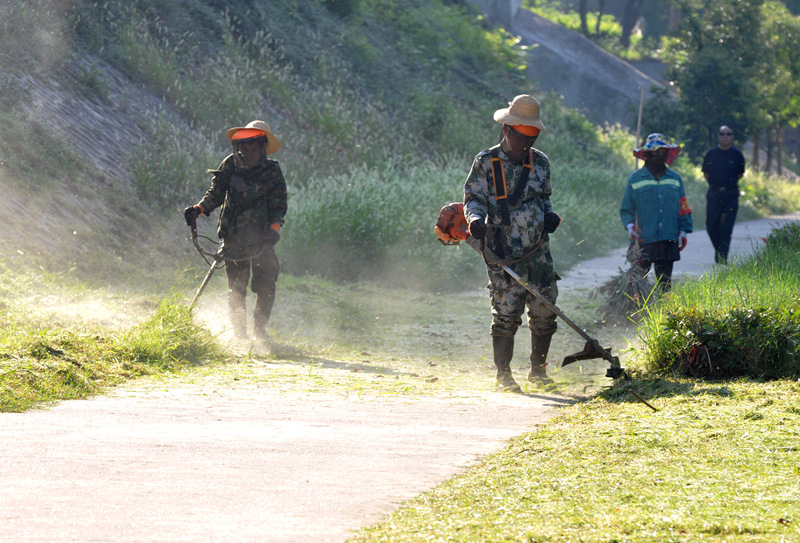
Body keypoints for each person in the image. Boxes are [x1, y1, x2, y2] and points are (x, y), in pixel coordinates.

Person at [463, 94, 561, 392]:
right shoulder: (486, 162)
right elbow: (474, 199)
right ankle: (503, 376)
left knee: (545, 312)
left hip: (538, 253)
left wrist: (550, 215)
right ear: (507, 130)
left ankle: (538, 372)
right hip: (503, 254)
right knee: (505, 314)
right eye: (522, 138)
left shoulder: (540, 162)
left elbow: (544, 199)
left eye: (532, 138)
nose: (526, 145)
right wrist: (475, 220)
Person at [184, 120, 288, 342]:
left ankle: (260, 330)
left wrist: (274, 230)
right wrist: (199, 209)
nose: (246, 151)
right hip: (234, 237)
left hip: (263, 240)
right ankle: (240, 335)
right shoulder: (230, 165)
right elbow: (216, 193)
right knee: (236, 289)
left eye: (252, 147)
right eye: (244, 147)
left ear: (262, 147)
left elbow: (279, 206)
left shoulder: (272, 171)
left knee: (267, 283)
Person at [620, 133, 693, 291]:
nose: (659, 156)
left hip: (668, 237)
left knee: (664, 284)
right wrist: (631, 226)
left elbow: (683, 206)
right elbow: (626, 208)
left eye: (662, 153)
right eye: (655, 153)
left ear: (667, 154)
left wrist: (684, 230)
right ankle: (637, 313)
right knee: (638, 284)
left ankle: (664, 312)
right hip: (643, 239)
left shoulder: (675, 178)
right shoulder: (636, 178)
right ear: (647, 155)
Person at [702, 125, 745, 264]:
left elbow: (740, 173)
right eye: (722, 134)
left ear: (732, 136)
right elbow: (706, 173)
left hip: (731, 195)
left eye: (728, 134)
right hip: (714, 194)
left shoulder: (737, 154)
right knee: (711, 225)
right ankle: (719, 251)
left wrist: (727, 186)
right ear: (718, 136)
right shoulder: (711, 153)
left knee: (726, 227)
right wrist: (717, 185)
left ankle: (722, 258)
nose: (725, 136)